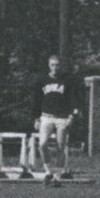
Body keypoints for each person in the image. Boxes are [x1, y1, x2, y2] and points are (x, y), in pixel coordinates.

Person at [31, 55, 81, 187]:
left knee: (60, 146)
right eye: (52, 65)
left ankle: (57, 177)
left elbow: (74, 99)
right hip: (46, 116)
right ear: (49, 65)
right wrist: (36, 118)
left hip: (62, 117)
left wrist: (72, 116)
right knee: (42, 144)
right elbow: (37, 100)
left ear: (61, 66)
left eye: (57, 65)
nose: (55, 67)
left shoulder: (67, 80)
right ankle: (48, 172)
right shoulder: (42, 80)